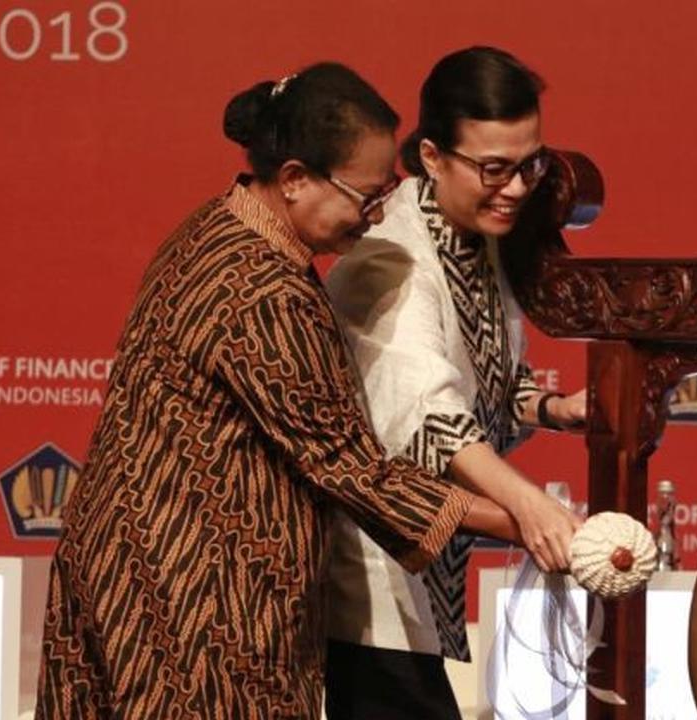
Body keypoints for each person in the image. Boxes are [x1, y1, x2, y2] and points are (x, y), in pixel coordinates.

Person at [34, 62, 526, 720]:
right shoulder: (266, 292)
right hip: (195, 604)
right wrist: (526, 523)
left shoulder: (215, 228)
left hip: (133, 574)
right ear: (295, 178)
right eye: (364, 196)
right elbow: (351, 469)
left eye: (386, 195)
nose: (376, 216)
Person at [323, 46, 585, 720]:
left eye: (531, 164)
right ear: (433, 157)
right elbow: (433, 417)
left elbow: (487, 379)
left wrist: (555, 408)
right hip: (367, 584)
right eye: (494, 169)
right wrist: (530, 509)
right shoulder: (393, 257)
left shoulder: (478, 234)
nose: (519, 188)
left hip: (424, 579)